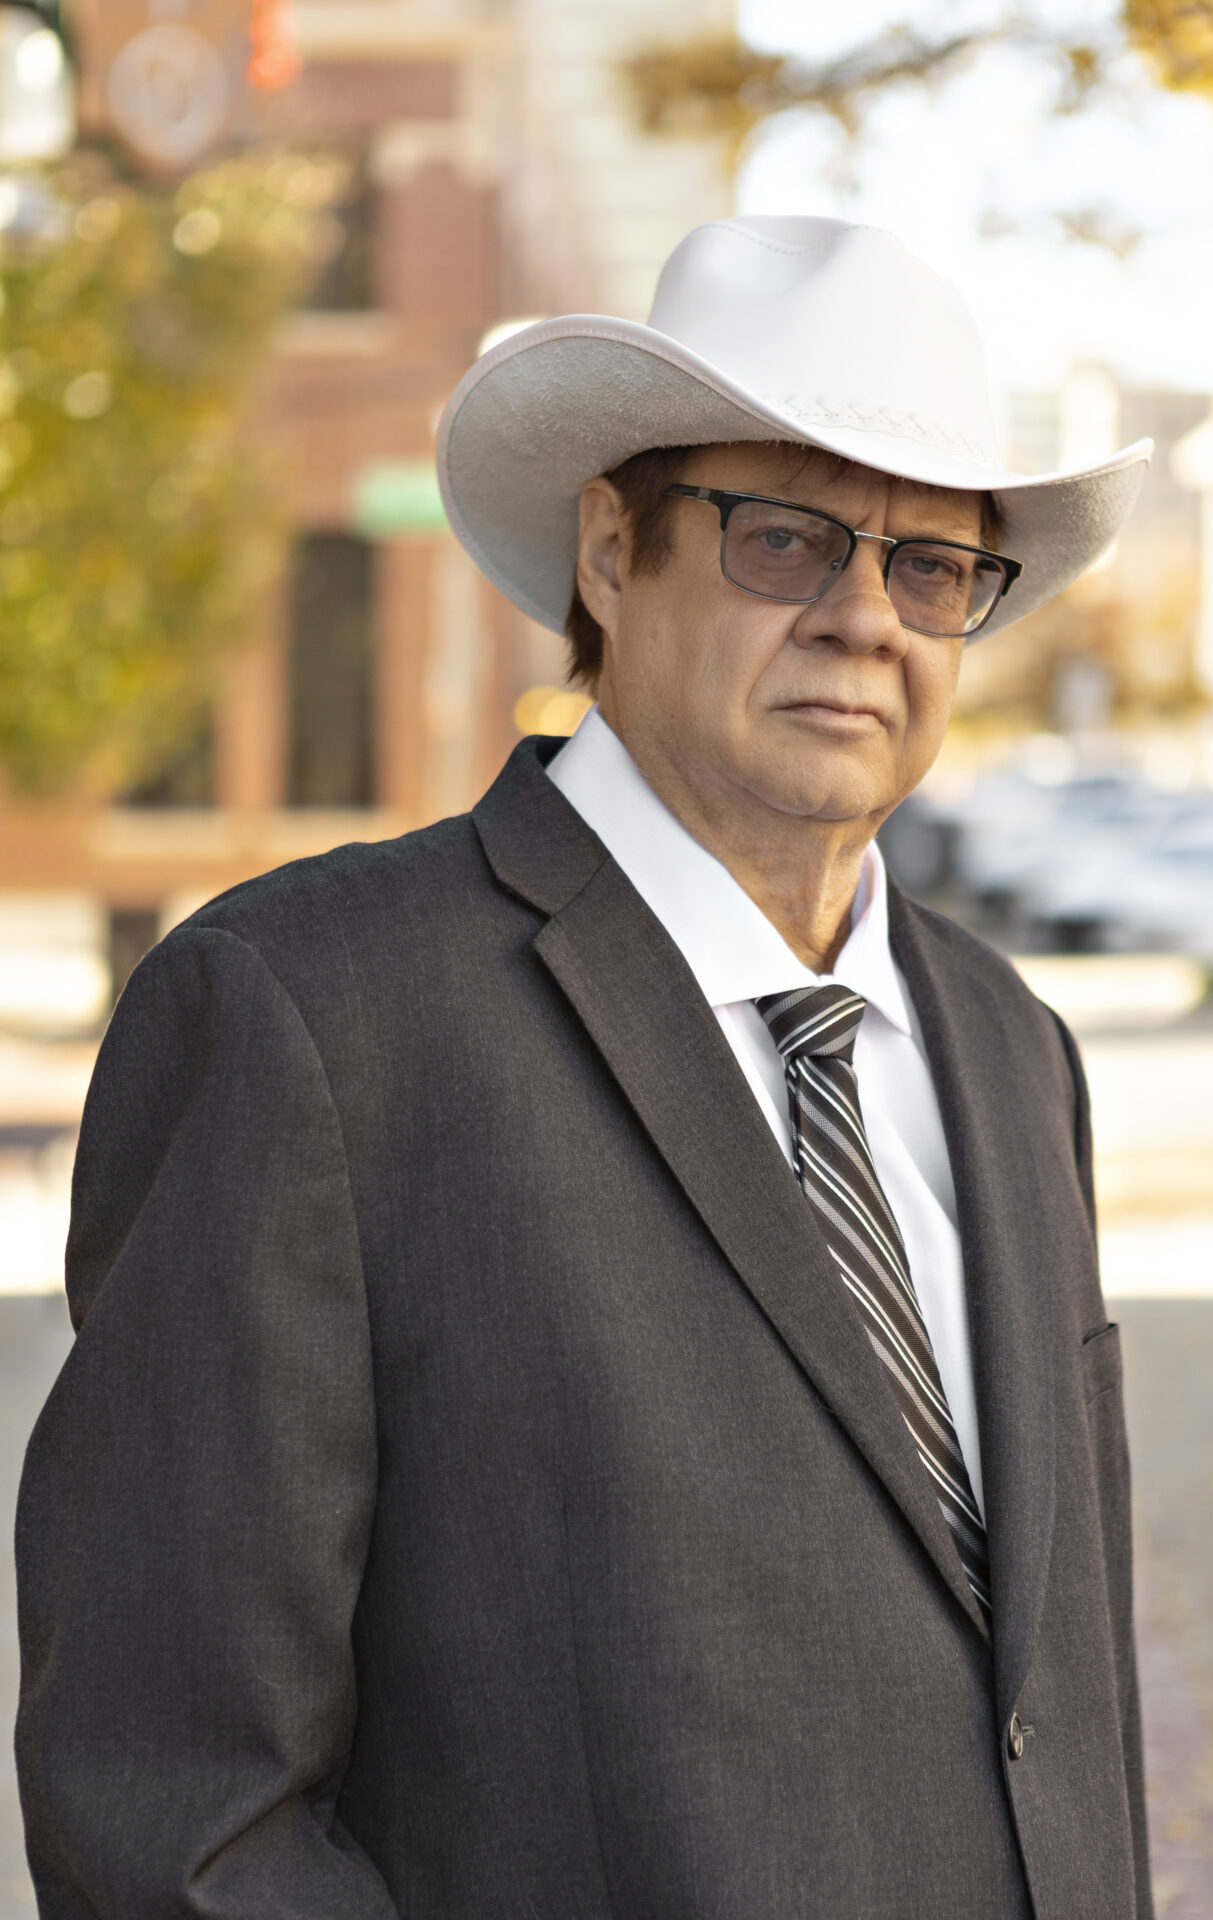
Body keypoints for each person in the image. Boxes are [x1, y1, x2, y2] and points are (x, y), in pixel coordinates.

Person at [16, 216, 1154, 1919]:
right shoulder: (309, 1015)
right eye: (789, 537)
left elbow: (1051, 1717)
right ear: (612, 555)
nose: (866, 618)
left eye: (931, 566)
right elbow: (175, 1809)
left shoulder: (1011, 1048)